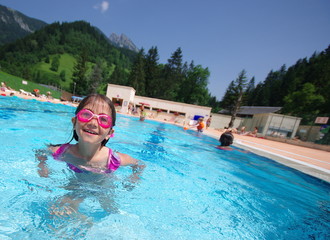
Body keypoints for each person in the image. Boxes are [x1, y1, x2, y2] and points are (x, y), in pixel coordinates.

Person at [36, 94, 145, 214]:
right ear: (74, 122)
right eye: (86, 114)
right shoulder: (62, 152)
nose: (93, 123)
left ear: (109, 133)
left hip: (103, 189)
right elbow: (40, 152)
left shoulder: (113, 159)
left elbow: (139, 164)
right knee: (57, 210)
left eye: (103, 119)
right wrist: (43, 168)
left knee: (111, 213)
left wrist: (133, 179)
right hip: (76, 184)